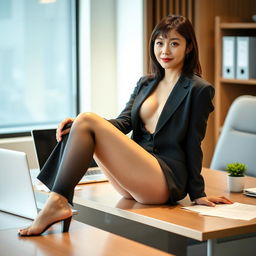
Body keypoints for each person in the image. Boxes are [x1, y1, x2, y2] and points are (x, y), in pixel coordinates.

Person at [19, 14, 232, 236]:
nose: (165, 51)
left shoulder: (199, 89)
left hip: (164, 179)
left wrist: (197, 193)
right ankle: (58, 199)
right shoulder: (146, 83)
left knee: (87, 118)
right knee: (83, 121)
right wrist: (79, 125)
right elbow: (123, 123)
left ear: (188, 48)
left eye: (174, 43)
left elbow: (193, 143)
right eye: (159, 43)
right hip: (134, 179)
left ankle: (57, 201)